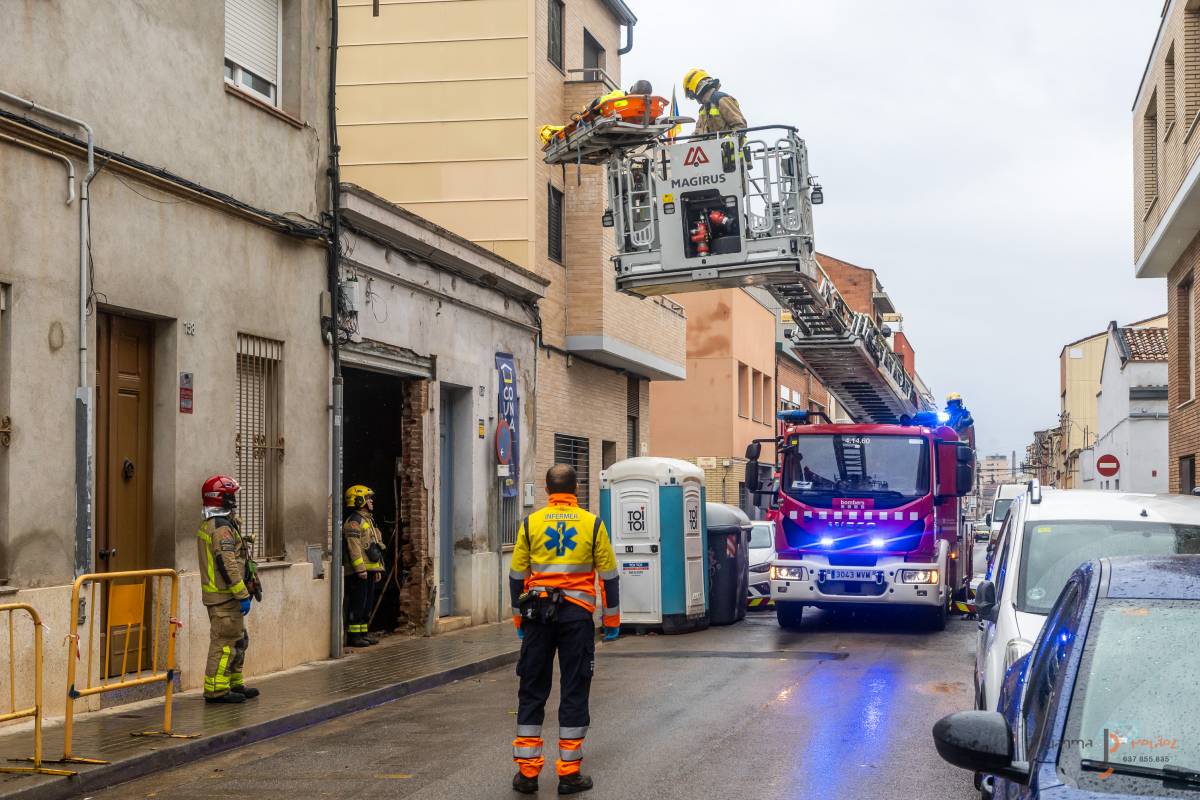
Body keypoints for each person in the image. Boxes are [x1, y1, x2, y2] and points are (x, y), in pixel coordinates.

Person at [509, 464, 620, 796]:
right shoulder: (592, 524)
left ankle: (527, 775)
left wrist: (519, 622)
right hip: (576, 619)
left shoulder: (531, 523)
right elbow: (609, 577)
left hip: (537, 618)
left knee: (532, 689)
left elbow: (516, 577)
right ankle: (568, 775)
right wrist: (611, 624)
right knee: (574, 690)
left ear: (546, 490)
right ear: (577, 490)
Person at [198, 475, 257, 704]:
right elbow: (228, 564)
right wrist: (242, 594)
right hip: (224, 597)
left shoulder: (221, 524)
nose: (235, 500)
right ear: (222, 498)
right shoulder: (220, 528)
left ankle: (234, 683)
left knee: (238, 640)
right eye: (232, 496)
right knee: (223, 645)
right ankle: (216, 691)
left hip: (224, 596)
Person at [343, 484, 383, 647]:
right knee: (358, 603)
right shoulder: (354, 522)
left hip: (370, 569)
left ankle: (363, 633)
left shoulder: (368, 520)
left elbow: (373, 544)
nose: (371, 501)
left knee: (367, 604)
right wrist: (360, 569)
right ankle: (354, 637)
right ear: (359, 500)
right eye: (368, 498)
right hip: (359, 572)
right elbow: (355, 548)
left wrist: (378, 568)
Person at [683, 68, 747, 135]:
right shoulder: (703, 110)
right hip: (712, 145)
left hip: (728, 145)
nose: (694, 99)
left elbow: (740, 126)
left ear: (696, 88)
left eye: (692, 95)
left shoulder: (721, 99)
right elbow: (697, 136)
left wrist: (726, 142)